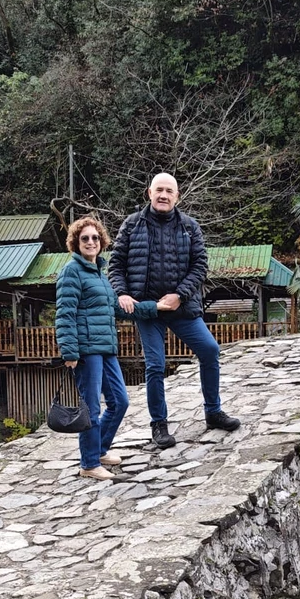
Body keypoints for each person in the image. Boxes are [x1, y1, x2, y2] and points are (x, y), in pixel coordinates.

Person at [109, 172, 240, 449]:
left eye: (169, 191)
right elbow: (116, 264)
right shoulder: (131, 225)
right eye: (159, 190)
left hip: (182, 307)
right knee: (155, 365)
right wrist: (122, 293)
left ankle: (213, 411)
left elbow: (200, 266)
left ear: (177, 196)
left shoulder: (190, 227)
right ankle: (159, 424)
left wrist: (180, 295)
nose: (163, 195)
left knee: (210, 350)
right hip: (148, 310)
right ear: (149, 193)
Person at [55, 216, 129, 482]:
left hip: (106, 348)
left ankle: (99, 450)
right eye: (84, 238)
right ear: (76, 242)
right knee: (91, 408)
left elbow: (118, 308)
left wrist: (154, 307)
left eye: (95, 237)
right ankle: (88, 463)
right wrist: (69, 351)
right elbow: (65, 313)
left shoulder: (99, 273)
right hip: (86, 351)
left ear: (101, 241)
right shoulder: (71, 271)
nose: (90, 242)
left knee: (120, 401)